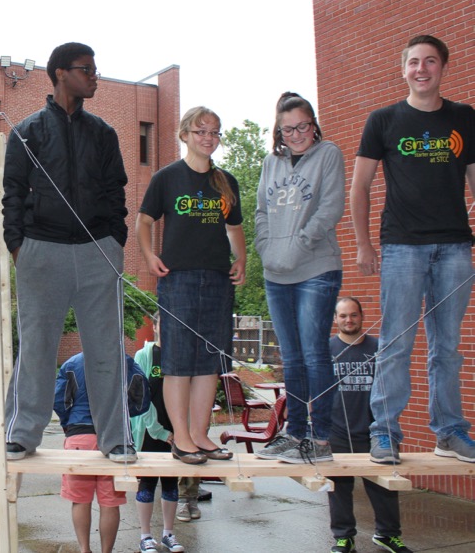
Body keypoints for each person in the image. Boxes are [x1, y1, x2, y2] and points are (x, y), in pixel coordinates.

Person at [3, 42, 134, 463]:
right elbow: (12, 195)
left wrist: (115, 241)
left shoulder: (104, 133)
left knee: (106, 350)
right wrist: (18, 246)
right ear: (60, 73)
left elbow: (117, 193)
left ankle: (116, 439)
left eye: (95, 69)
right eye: (86, 69)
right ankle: (22, 434)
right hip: (41, 251)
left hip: (99, 251)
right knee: (36, 348)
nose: (94, 76)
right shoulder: (27, 131)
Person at [351, 35, 475, 465]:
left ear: (443, 67)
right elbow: (360, 186)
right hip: (402, 247)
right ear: (403, 69)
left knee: (448, 347)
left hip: (455, 247)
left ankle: (450, 431)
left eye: (430, 62)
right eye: (414, 63)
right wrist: (365, 244)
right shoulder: (383, 120)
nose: (422, 69)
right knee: (396, 343)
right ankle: (384, 433)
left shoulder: (463, 118)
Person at [137, 106, 245, 465]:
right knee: (179, 362)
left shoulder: (226, 181)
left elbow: (234, 229)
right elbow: (144, 221)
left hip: (217, 279)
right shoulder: (166, 178)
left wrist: (241, 259)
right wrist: (150, 256)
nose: (208, 138)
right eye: (200, 131)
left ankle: (201, 435)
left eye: (214, 132)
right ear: (184, 135)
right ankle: (181, 438)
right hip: (178, 280)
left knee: (208, 363)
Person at [254, 92, 344, 464]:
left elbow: (330, 208)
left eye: (302, 126)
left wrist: (299, 244)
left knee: (313, 353)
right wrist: (266, 247)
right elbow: (260, 210)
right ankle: (295, 435)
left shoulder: (328, 155)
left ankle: (320, 440)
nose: (296, 134)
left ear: (313, 124)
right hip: (276, 274)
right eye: (287, 128)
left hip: (315, 269)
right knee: (290, 359)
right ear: (279, 129)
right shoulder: (270, 162)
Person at [327, 297, 412, 553]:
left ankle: (387, 535)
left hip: (375, 432)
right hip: (338, 430)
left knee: (383, 486)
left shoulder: (379, 347)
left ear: (362, 317)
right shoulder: (325, 349)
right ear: (335, 320)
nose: (349, 320)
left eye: (353, 315)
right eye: (343, 316)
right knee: (338, 488)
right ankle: (343, 537)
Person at [54, 350, 149, 553]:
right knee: (110, 503)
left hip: (79, 436)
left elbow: (59, 401)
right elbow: (142, 400)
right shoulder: (125, 361)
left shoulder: (71, 363)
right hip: (116, 439)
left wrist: (69, 422)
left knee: (80, 500)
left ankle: (85, 549)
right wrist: (123, 413)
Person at [131, 314, 185, 553]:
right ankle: (145, 536)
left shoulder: (180, 355)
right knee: (147, 483)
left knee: (172, 483)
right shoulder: (144, 356)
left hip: (177, 432)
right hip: (150, 431)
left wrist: (180, 432)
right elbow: (141, 397)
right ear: (154, 326)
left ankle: (168, 534)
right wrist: (161, 432)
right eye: (162, 322)